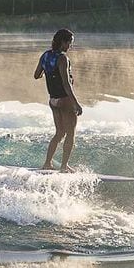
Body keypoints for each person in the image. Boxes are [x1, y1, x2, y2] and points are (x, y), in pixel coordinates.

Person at [35, 28, 82, 171]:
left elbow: (37, 75)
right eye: (69, 43)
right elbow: (66, 84)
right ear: (62, 42)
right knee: (71, 133)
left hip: (53, 101)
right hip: (65, 100)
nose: (70, 47)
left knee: (59, 132)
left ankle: (47, 163)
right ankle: (63, 166)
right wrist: (76, 103)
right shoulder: (62, 58)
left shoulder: (45, 56)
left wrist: (48, 72)